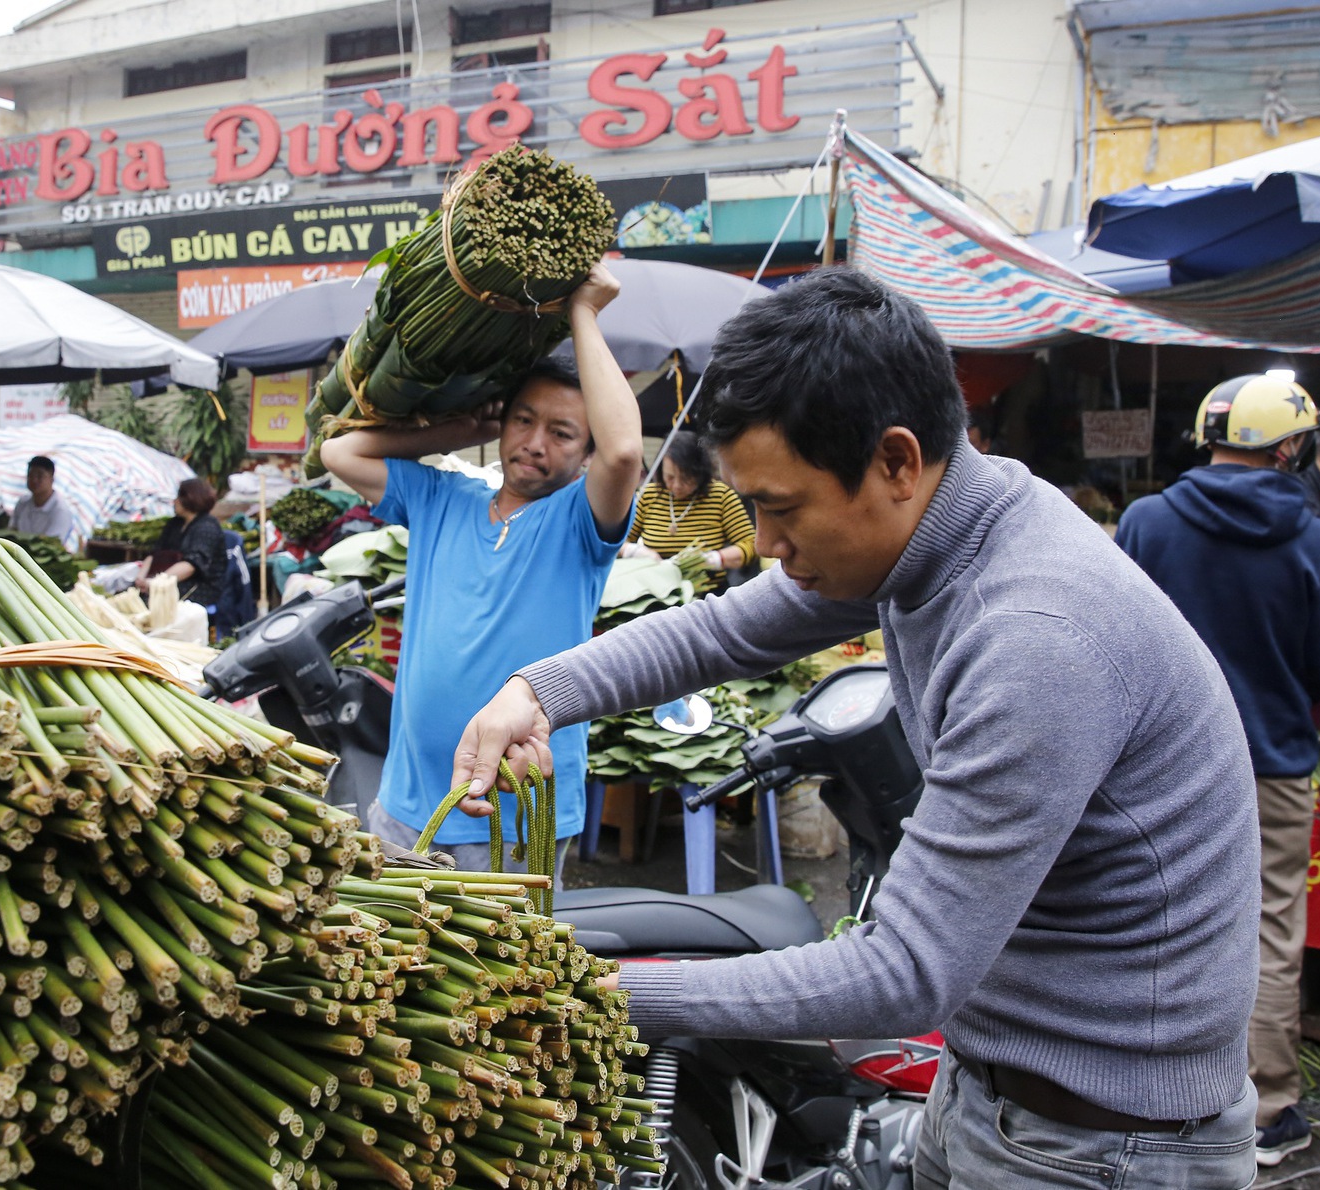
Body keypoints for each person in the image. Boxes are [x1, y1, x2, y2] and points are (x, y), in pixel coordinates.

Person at [450, 268, 1260, 1188]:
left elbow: (905, 970)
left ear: (896, 462)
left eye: (779, 509)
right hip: (990, 1082)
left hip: (1103, 1144)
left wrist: (587, 989)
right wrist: (538, 690)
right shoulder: (938, 526)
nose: (761, 543)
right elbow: (730, 626)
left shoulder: (1036, 635)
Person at [320, 265, 642, 884]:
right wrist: (464, 426)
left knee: (501, 980)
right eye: (523, 420)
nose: (535, 442)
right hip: (407, 801)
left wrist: (583, 313)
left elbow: (625, 451)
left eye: (562, 432)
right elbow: (340, 451)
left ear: (584, 451)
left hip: (513, 815)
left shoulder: (578, 521)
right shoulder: (444, 496)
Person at [1117, 372, 1320, 1167]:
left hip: (1157, 767)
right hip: (1270, 761)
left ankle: (1152, 1088)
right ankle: (1266, 1108)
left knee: (1157, 916)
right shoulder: (1309, 539)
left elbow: (1117, 638)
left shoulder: (1145, 522)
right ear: (1289, 447)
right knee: (1268, 926)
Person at [624, 429, 755, 590]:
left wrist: (715, 559)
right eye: (670, 477)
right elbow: (618, 542)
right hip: (657, 590)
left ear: (700, 472)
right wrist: (633, 551)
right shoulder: (648, 496)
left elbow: (751, 544)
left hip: (707, 590)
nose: (677, 486)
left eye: (686, 478)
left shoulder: (721, 496)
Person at [140, 477, 223, 608]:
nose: (175, 501)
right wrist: (142, 577)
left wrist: (158, 582)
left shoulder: (207, 527)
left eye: (178, 496)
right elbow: (155, 553)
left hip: (199, 586)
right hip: (170, 579)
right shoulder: (175, 524)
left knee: (152, 603)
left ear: (190, 498)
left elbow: (191, 565)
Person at [12, 456, 76, 547]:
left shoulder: (61, 511)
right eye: (30, 476)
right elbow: (12, 532)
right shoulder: (22, 503)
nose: (34, 480)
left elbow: (51, 545)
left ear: (52, 479)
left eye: (40, 476)